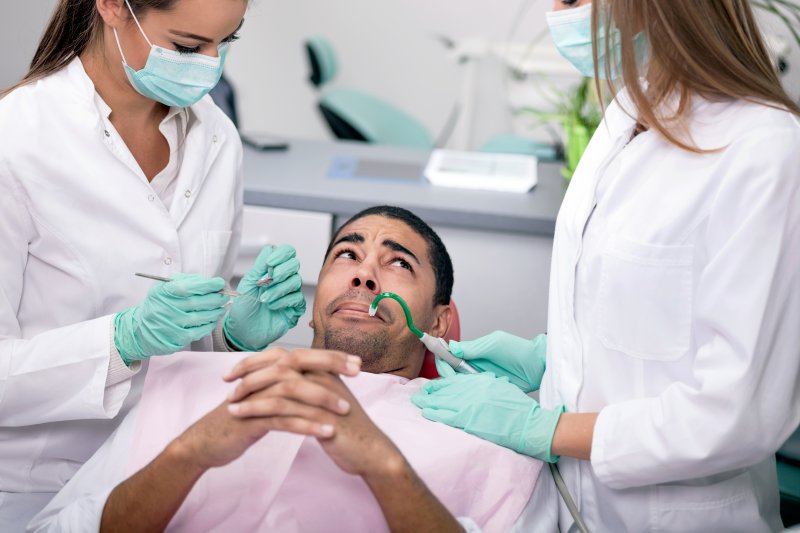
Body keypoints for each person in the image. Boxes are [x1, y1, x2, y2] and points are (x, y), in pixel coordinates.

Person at [413, 1, 800, 532]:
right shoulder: (626, 114)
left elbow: (737, 415)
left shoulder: (764, 151)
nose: (557, 14)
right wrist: (551, 359)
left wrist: (545, 430)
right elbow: (639, 309)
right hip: (568, 507)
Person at [28, 206, 559, 533]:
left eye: (398, 263)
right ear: (311, 303)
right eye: (346, 256)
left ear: (441, 323)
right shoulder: (195, 383)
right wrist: (189, 454)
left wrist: (385, 469)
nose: (364, 277)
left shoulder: (493, 437)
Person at [0, 0, 305, 527]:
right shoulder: (18, 143)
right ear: (114, 7)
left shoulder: (218, 140)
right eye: (188, 46)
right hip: (34, 486)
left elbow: (188, 343)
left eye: (226, 42)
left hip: (170, 466)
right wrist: (121, 342)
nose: (209, 65)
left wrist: (230, 336)